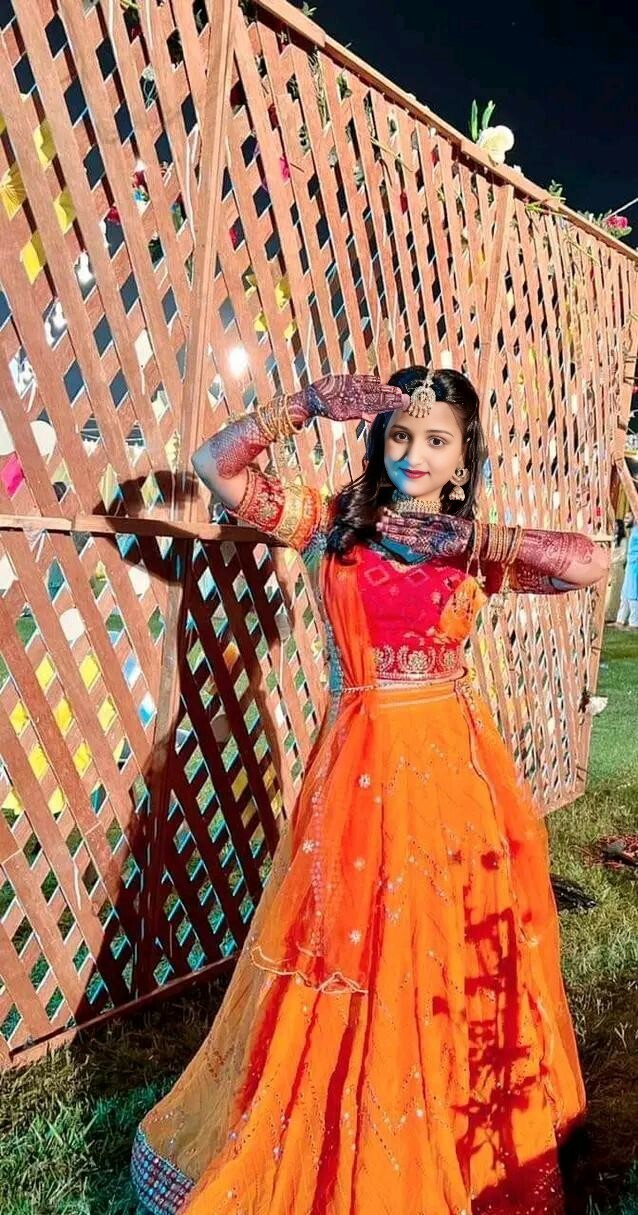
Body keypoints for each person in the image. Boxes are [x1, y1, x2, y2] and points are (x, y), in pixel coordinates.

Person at [131, 368, 609, 1215]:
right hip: (360, 770)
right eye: (400, 434)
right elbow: (215, 466)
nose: (414, 453)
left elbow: (590, 564)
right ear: (378, 440)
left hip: (454, 776)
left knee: (446, 947)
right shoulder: (330, 524)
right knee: (351, 948)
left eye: (436, 440)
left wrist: (469, 537)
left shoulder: (472, 547)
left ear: (463, 457)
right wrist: (304, 407)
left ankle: (453, 1127)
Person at [614, 513, 638, 628]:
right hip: (630, 564)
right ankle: (620, 620)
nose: (625, 520)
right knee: (625, 593)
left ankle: (634, 622)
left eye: (628, 518)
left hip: (635, 565)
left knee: (633, 594)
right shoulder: (633, 531)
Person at [605, 516, 628, 622]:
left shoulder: (623, 540)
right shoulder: (612, 538)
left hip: (617, 568)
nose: (614, 528)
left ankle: (613, 615)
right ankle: (606, 613)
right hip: (609, 568)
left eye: (616, 526)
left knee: (614, 592)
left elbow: (623, 556)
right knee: (608, 592)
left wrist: (612, 560)